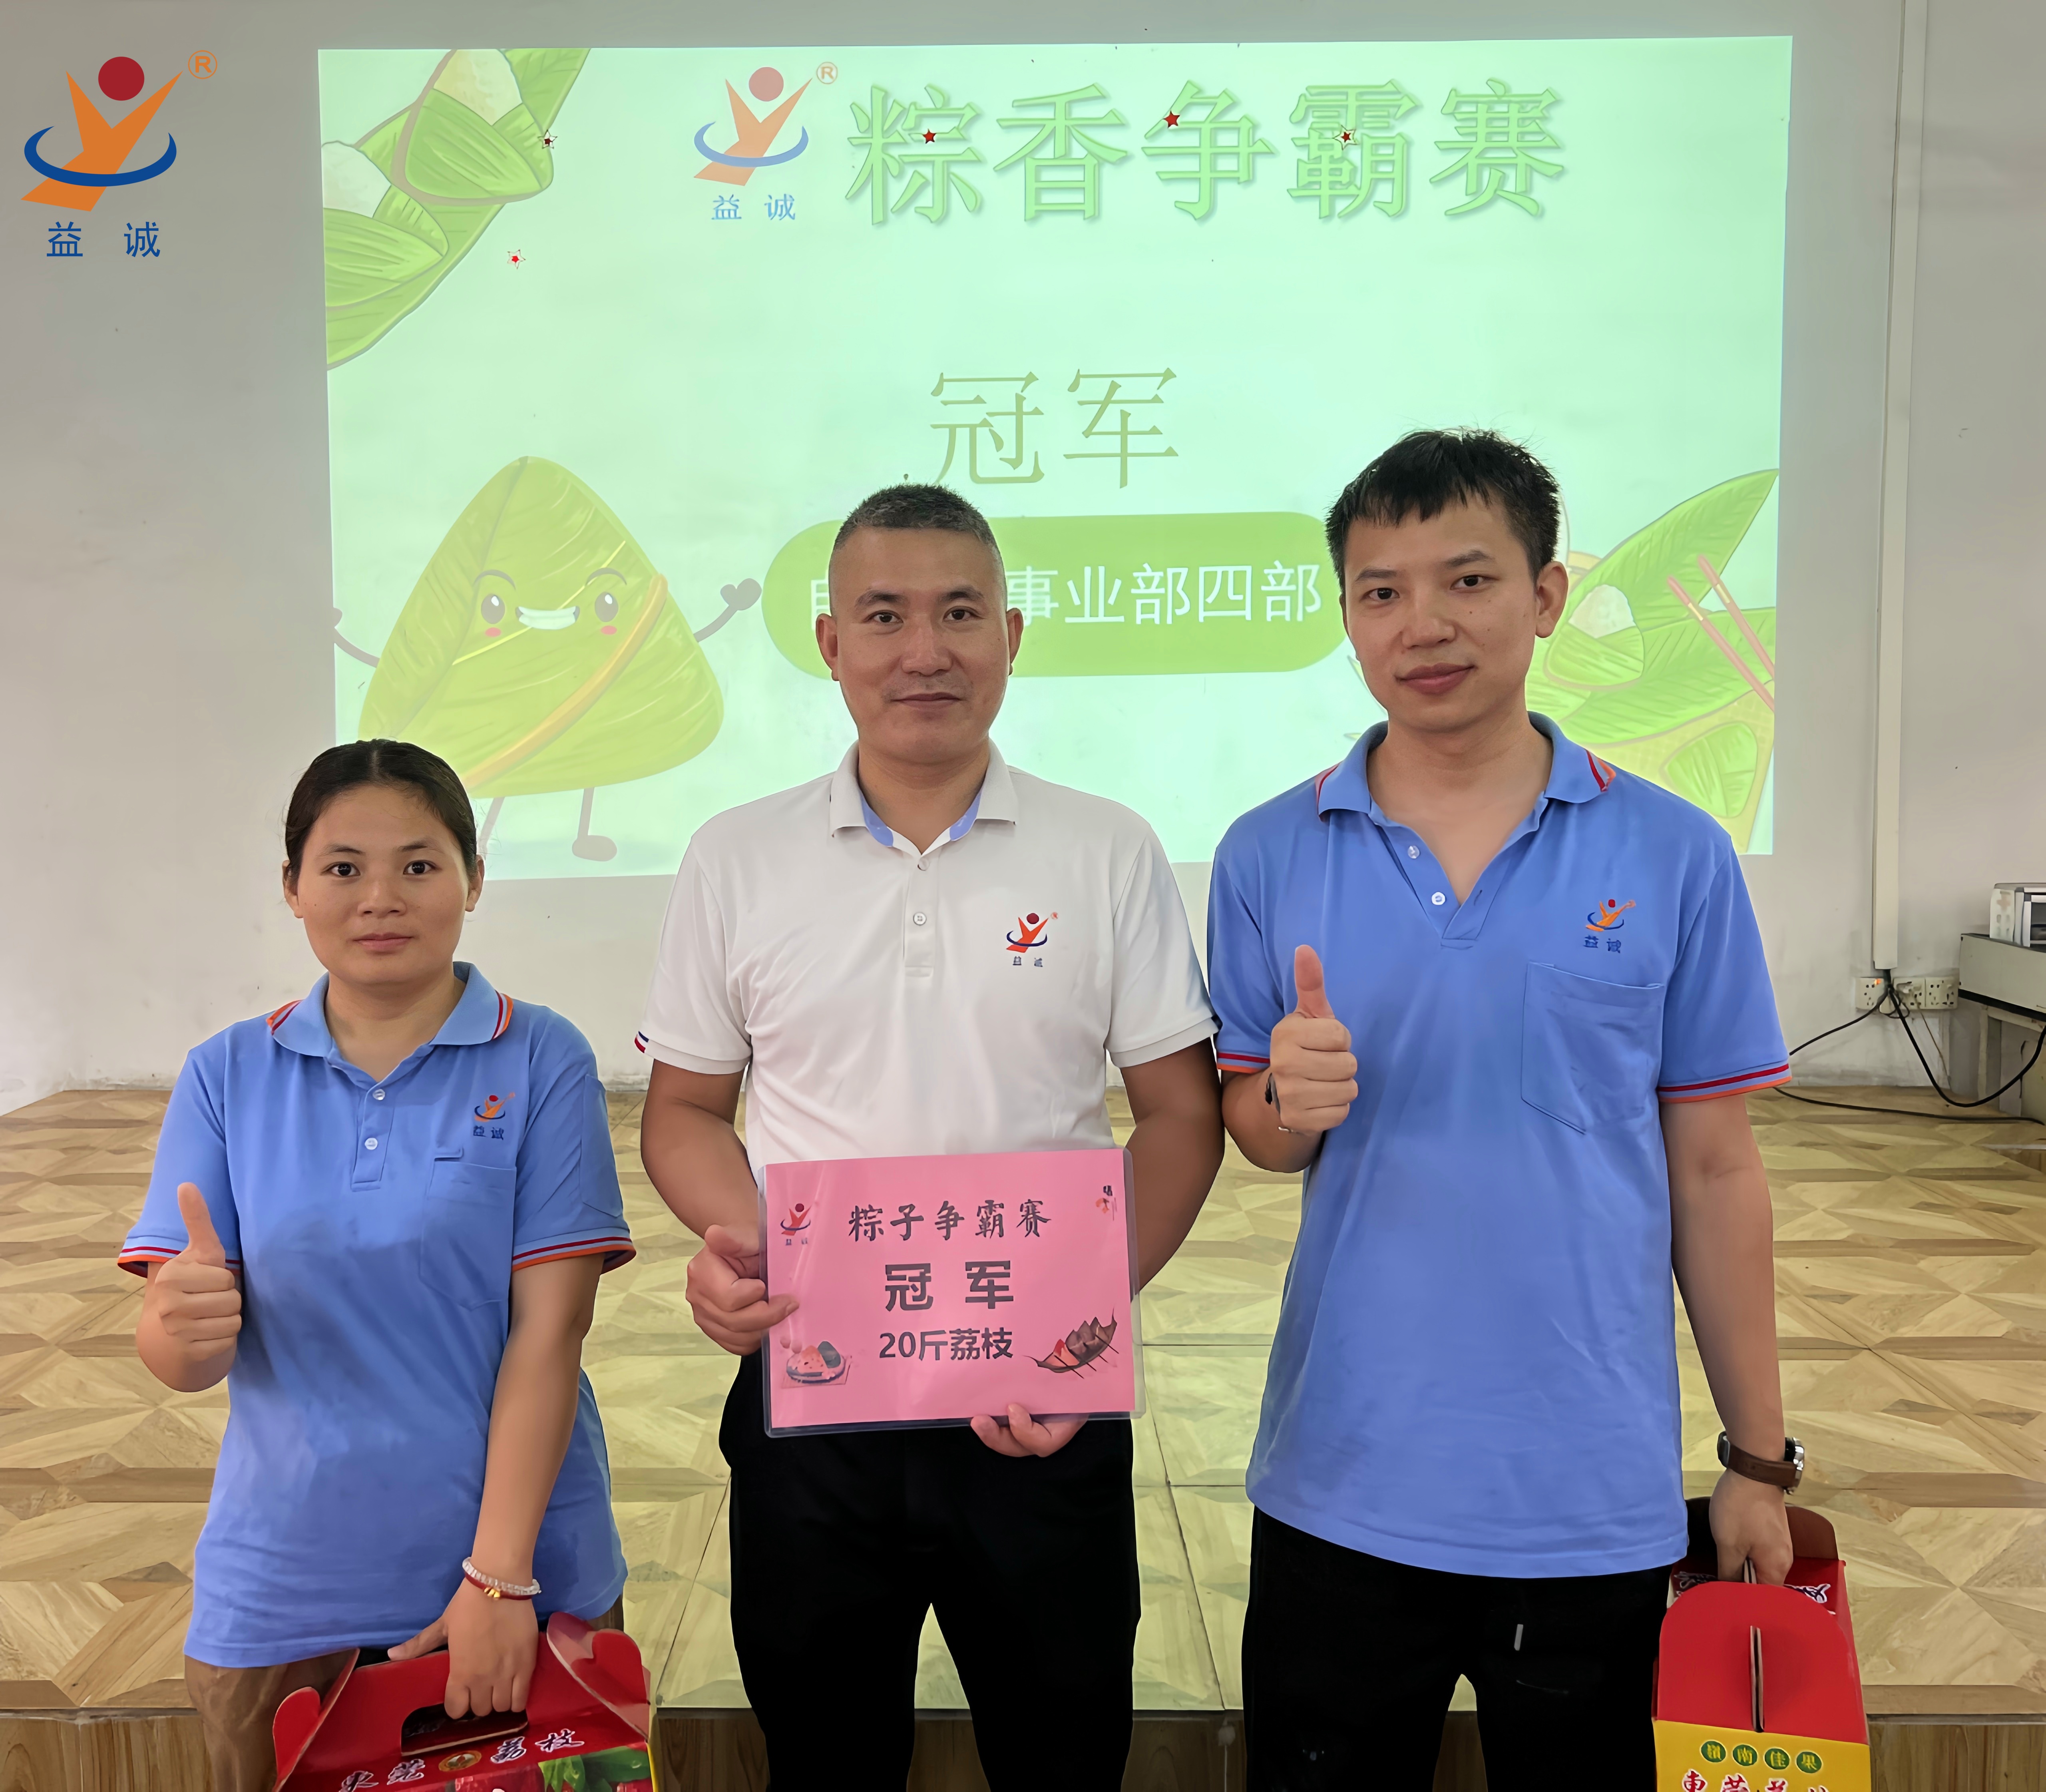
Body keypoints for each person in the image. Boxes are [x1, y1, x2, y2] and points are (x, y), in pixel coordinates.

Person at [1206, 431, 1798, 1789]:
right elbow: (1258, 1128)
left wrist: (1758, 1460)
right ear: (1348, 616)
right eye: (1381, 591)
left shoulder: (1675, 851)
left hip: (1590, 1495)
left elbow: (1715, 1174)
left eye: (1467, 580)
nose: (1424, 624)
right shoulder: (1268, 851)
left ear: (1547, 594)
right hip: (1340, 1481)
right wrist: (1285, 1102)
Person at [637, 484, 1224, 1791]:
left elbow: (1182, 1114)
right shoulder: (736, 857)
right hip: (815, 1384)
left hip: (1041, 1403)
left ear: (1010, 635)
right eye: (884, 615)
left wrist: (1082, 1319)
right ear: (829, 642)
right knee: (824, 1754)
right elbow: (683, 1109)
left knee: (1063, 1754)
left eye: (961, 613)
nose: (925, 649)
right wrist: (740, 1242)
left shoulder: (1108, 849)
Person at [121, 740, 634, 1792]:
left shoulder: (542, 1056)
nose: (380, 898)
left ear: (474, 879)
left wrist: (500, 1578)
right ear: (293, 886)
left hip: (523, 1569)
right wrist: (179, 1327)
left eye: (420, 864)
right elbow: (182, 1359)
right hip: (287, 1582)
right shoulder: (227, 1072)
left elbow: (551, 1332)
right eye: (344, 867)